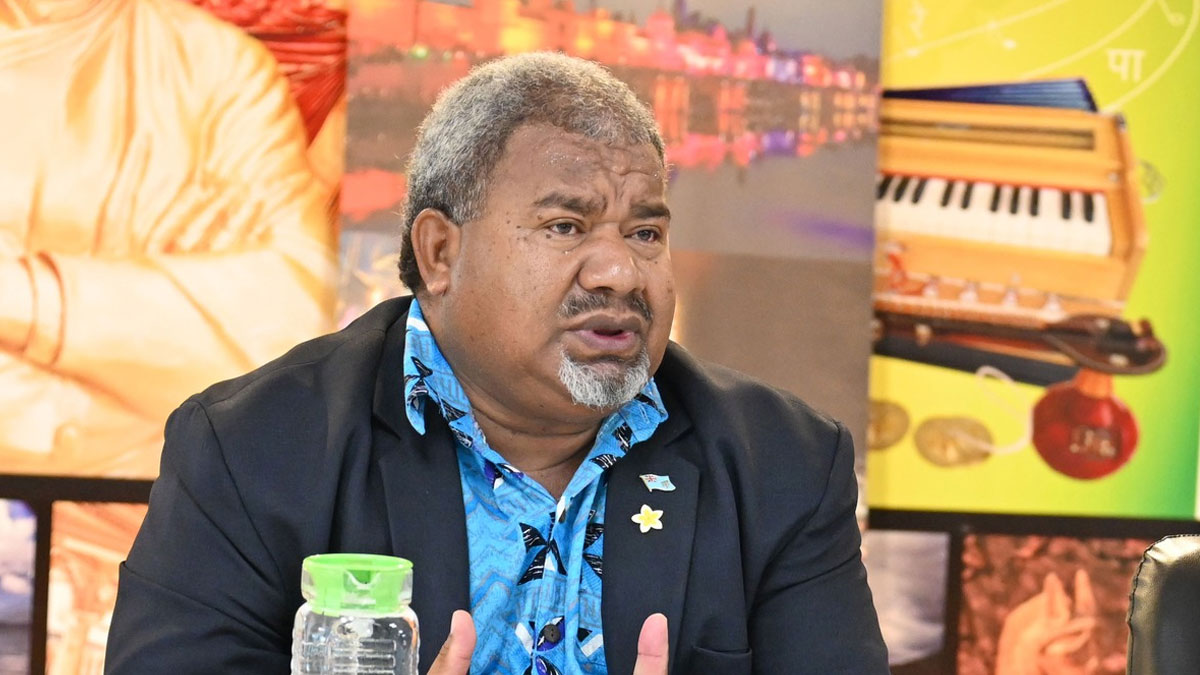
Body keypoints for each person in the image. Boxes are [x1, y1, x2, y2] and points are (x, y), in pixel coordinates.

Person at [106, 52, 888, 673]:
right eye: (565, 226)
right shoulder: (254, 449)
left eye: (645, 233)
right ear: (440, 252)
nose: (620, 271)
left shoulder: (783, 465)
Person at [0, 0, 336, 478]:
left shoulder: (214, 69)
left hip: (162, 498)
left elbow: (294, 331)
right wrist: (168, 307)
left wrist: (29, 300)